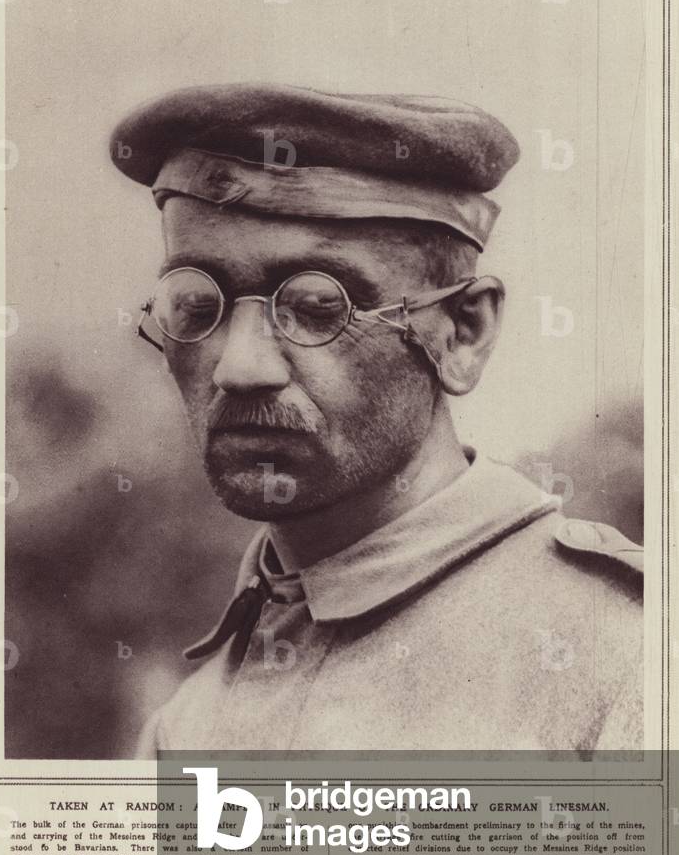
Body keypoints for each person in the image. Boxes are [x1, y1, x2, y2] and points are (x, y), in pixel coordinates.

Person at [110, 84, 642, 754]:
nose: (238, 367)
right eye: (195, 306)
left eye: (314, 305)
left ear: (461, 333)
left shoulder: (625, 658)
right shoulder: (184, 727)